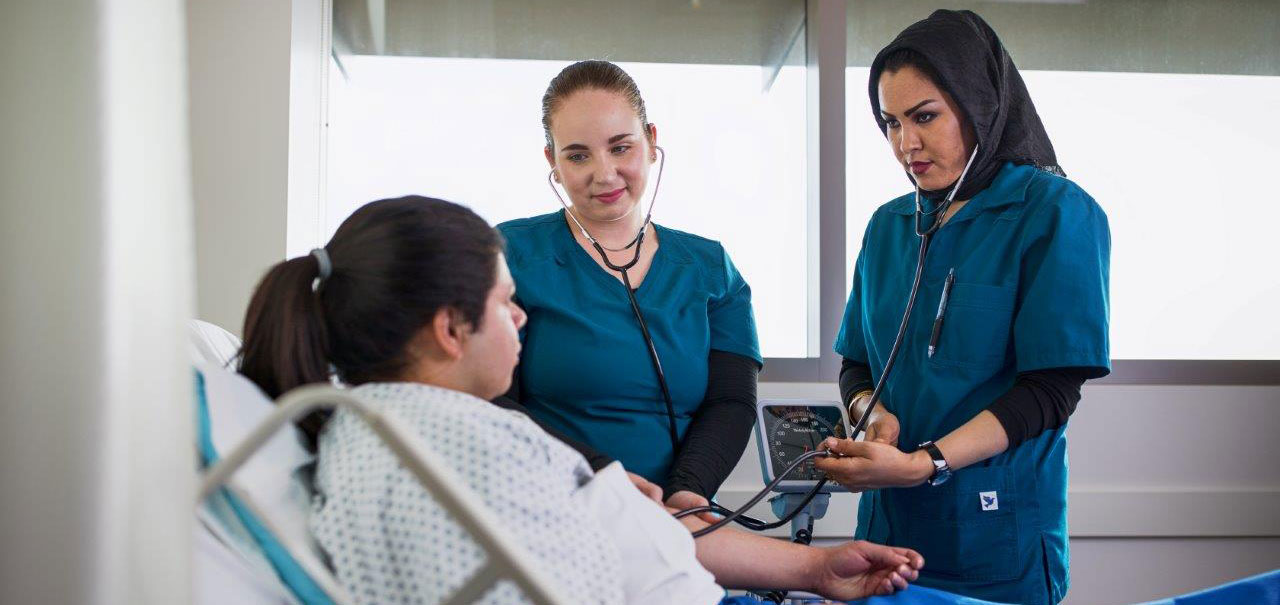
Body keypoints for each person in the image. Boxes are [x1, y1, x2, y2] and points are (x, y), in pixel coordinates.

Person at [236, 195, 923, 604]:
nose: (525, 317)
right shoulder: (478, 448)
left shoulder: (383, 428)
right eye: (507, 304)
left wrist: (810, 567)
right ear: (451, 329)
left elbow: (627, 535)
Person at [812, 10, 1110, 605]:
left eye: (925, 117)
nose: (905, 144)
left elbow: (1051, 390)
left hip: (996, 539)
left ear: (981, 106)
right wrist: (870, 413)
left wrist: (925, 464)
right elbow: (858, 364)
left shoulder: (1055, 213)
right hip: (887, 537)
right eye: (890, 122)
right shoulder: (890, 226)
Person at [496, 60, 761, 514]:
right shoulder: (509, 255)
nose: (605, 173)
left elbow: (731, 402)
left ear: (652, 142)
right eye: (578, 155)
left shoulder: (710, 268)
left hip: (679, 516)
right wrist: (603, 480)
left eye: (621, 147)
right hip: (548, 510)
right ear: (552, 163)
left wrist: (686, 497)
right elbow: (494, 404)